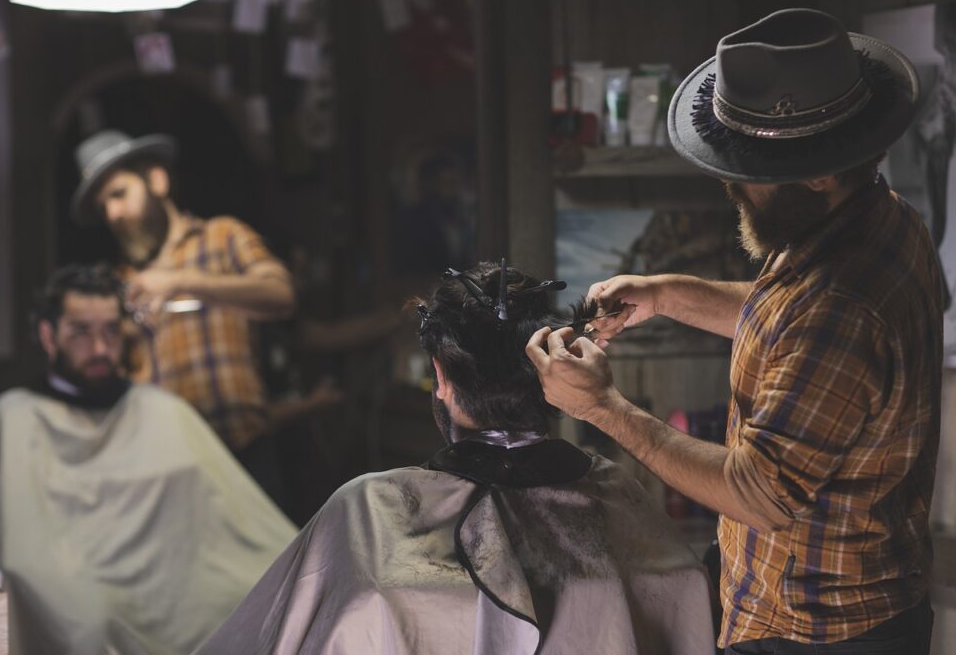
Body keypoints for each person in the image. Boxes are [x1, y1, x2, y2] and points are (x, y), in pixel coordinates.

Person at [527, 8, 941, 654]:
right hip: (809, 598)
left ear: (820, 172)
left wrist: (601, 408)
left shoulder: (842, 304)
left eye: (749, 173)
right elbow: (790, 316)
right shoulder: (876, 218)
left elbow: (757, 491)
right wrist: (665, 294)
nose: (730, 184)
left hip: (819, 629)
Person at [195, 262, 715, 655]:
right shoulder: (613, 492)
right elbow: (681, 593)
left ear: (440, 377)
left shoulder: (371, 508)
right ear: (554, 371)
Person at [0, 264, 298, 655]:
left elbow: (227, 519)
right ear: (49, 336)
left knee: (257, 598)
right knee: (86, 624)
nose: (100, 349)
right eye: (81, 333)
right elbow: (13, 547)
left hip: (172, 584)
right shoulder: (13, 418)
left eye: (110, 331)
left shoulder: (161, 410)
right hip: (76, 588)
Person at [69, 130, 295, 499]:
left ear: (156, 180)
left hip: (242, 452)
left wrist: (181, 281)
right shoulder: (122, 281)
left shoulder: (222, 236)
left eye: (119, 194)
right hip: (168, 470)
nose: (112, 214)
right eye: (102, 207)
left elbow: (280, 295)